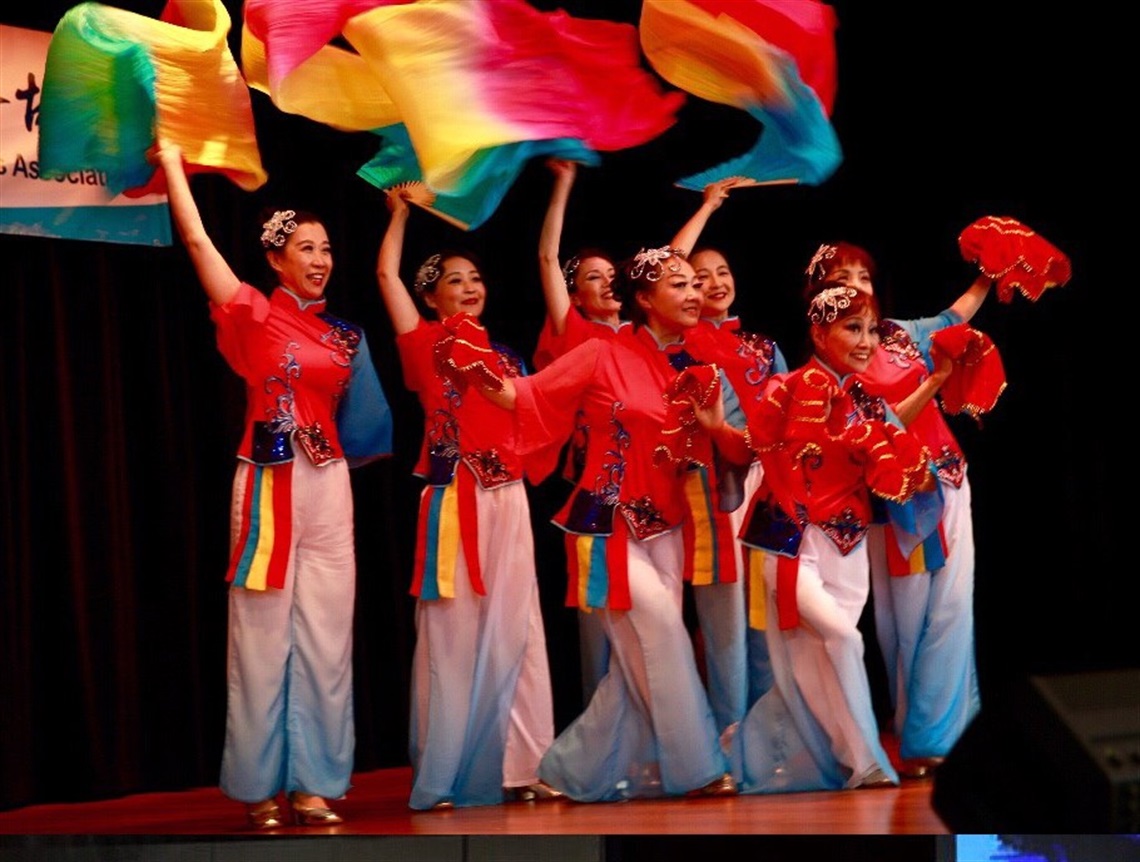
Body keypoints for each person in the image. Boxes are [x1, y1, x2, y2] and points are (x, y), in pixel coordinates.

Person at [155, 143, 393, 829]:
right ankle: (260, 784)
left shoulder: (343, 336)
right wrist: (174, 163)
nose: (320, 260)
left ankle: (316, 782)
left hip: (328, 485)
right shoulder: (252, 311)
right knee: (261, 636)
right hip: (269, 482)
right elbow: (197, 238)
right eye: (306, 248)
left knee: (327, 637)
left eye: (326, 248)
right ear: (275, 257)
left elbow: (361, 420)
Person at [463, 245, 737, 802]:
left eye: (693, 285)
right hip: (605, 521)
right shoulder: (598, 353)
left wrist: (717, 427)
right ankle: (700, 767)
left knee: (640, 659)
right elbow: (527, 395)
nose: (693, 294)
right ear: (643, 299)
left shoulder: (696, 364)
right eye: (678, 286)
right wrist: (473, 372)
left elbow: (735, 444)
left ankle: (566, 771)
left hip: (667, 522)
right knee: (662, 630)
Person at [702, 283, 934, 792]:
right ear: (819, 333)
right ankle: (867, 762)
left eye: (872, 329)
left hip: (847, 548)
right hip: (789, 543)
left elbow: (898, 439)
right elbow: (747, 450)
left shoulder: (869, 399)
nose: (867, 340)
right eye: (853, 328)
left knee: (815, 670)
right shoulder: (784, 389)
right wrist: (717, 428)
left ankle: (740, 751)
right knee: (845, 640)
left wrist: (936, 384)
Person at [375, 189, 559, 810]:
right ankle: (448, 772)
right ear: (432, 296)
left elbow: (533, 419)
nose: (470, 287)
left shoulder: (505, 356)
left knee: (522, 628)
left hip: (506, 497)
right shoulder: (422, 343)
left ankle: (525, 765)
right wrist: (399, 215)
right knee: (452, 632)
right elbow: (383, 275)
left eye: (476, 278)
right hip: (454, 500)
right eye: (455, 281)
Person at [803, 241, 994, 777]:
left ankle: (950, 735)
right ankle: (921, 735)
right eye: (844, 275)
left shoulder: (898, 334)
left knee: (955, 608)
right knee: (907, 620)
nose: (859, 284)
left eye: (864, 274)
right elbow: (882, 426)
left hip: (949, 476)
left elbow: (954, 316)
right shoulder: (836, 360)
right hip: (900, 497)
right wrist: (935, 382)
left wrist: (989, 274)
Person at [669, 178, 789, 732]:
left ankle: (765, 735)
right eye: (699, 277)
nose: (713, 282)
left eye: (722, 272)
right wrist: (708, 207)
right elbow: (668, 264)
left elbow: (795, 418)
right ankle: (727, 732)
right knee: (725, 620)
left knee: (766, 613)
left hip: (766, 481)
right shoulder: (682, 343)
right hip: (715, 483)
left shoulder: (763, 346)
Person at [533, 157, 632, 710]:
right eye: (592, 277)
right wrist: (564, 185)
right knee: (598, 611)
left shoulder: (643, 334)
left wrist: (709, 206)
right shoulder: (574, 334)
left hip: (646, 487)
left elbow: (678, 265)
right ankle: (601, 733)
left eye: (610, 273)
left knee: (648, 612)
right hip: (593, 488)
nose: (608, 281)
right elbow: (547, 256)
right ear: (575, 295)